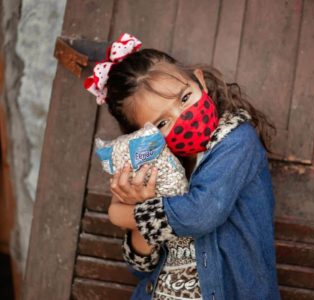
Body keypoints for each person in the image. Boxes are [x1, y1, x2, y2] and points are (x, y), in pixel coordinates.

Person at [84, 33, 281, 300]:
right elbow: (141, 268)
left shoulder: (237, 142)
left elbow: (201, 213)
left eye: (184, 98)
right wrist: (142, 204)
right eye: (163, 123)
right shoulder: (159, 167)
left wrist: (121, 214)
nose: (183, 117)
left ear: (199, 80)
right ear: (146, 135)